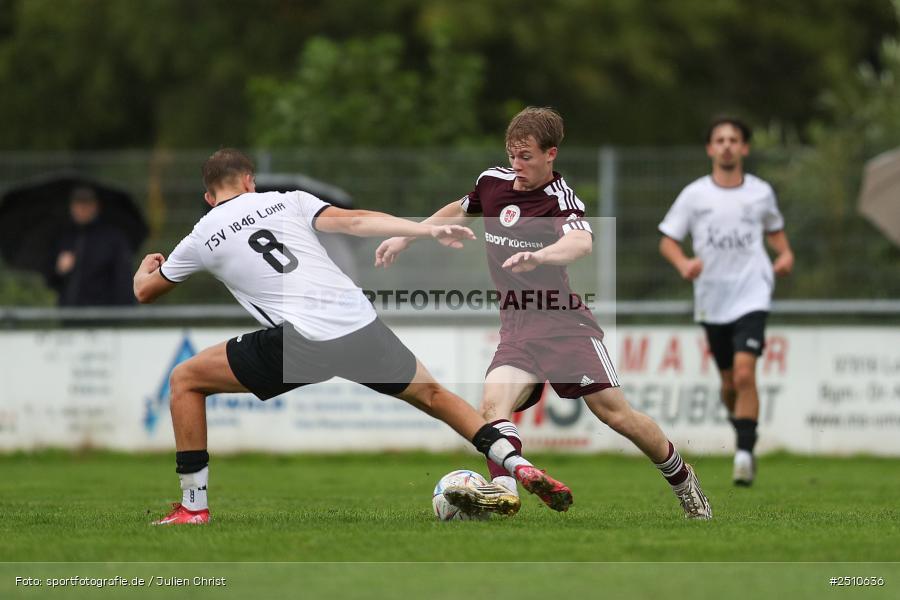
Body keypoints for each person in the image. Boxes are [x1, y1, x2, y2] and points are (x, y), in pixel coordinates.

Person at [133, 148, 573, 525]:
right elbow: (358, 220)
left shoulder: (202, 233)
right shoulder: (287, 201)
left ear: (209, 196)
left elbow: (145, 292)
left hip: (303, 343)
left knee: (185, 381)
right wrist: (425, 229)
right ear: (250, 182)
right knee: (435, 396)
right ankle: (518, 464)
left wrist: (145, 267)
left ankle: (193, 507)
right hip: (359, 325)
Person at [375, 107, 712, 520]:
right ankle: (504, 490)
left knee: (616, 416)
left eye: (527, 157)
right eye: (512, 155)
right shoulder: (493, 182)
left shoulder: (559, 199)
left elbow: (581, 243)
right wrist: (407, 236)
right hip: (517, 329)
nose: (517, 166)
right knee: (492, 407)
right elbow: (460, 207)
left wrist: (540, 257)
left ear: (551, 154)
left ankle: (683, 481)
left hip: (564, 326)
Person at [658, 117, 794, 486]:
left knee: (746, 372)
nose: (727, 145)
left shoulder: (760, 192)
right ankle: (744, 429)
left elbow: (776, 234)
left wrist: (783, 256)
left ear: (745, 148)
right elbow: (668, 240)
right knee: (730, 382)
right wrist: (684, 263)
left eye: (734, 139)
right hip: (712, 297)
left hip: (752, 292)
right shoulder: (695, 195)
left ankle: (744, 454)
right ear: (710, 149)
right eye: (720, 140)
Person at [49, 187, 135, 306]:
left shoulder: (113, 238)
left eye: (86, 204)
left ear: (96, 206)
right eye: (78, 204)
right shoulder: (64, 237)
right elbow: (52, 280)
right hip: (69, 315)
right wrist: (59, 270)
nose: (82, 209)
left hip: (102, 315)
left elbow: (123, 279)